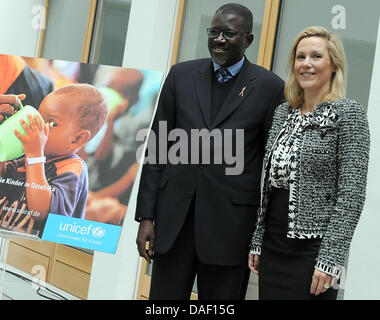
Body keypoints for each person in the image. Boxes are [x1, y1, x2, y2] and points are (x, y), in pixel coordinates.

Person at [135, 3, 284, 300]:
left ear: (248, 40)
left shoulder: (270, 87)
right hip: (175, 221)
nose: (218, 40)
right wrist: (147, 217)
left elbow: (271, 163)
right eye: (213, 32)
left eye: (228, 34)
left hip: (231, 227)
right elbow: (157, 147)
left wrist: (261, 233)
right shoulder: (181, 76)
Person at [248, 26, 370, 300]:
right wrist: (258, 239)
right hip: (273, 244)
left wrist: (330, 258)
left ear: (334, 65)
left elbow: (351, 194)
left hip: (313, 252)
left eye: (316, 56)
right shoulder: (283, 112)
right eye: (300, 57)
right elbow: (268, 185)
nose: (306, 64)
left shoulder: (349, 114)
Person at [0, 84, 108, 237]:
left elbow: (41, 212)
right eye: (39, 117)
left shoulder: (71, 169)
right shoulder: (26, 159)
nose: (39, 127)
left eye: (51, 123)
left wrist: (35, 156)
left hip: (42, 252)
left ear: (77, 139)